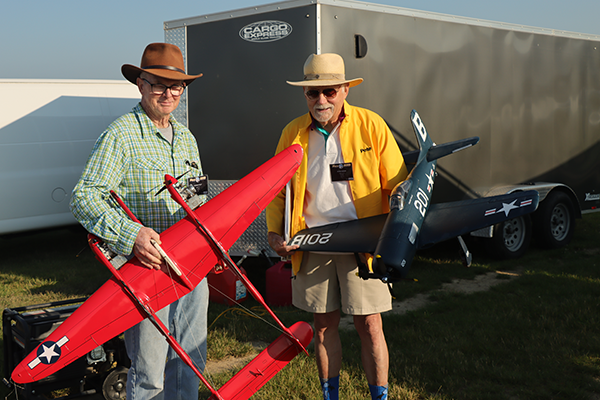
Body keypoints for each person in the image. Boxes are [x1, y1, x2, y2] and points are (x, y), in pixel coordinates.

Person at [266, 53, 408, 400]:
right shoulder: (292, 133)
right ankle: (331, 396)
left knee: (371, 325)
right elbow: (277, 191)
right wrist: (274, 233)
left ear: (345, 89)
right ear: (305, 96)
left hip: (364, 243)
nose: (322, 100)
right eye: (313, 93)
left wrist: (394, 236)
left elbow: (398, 185)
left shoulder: (371, 125)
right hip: (312, 243)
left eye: (329, 91)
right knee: (323, 325)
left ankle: (380, 396)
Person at [70, 43, 208, 400]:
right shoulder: (121, 135)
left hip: (192, 267)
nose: (168, 92)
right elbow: (84, 197)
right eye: (158, 83)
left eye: (176, 85)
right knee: (149, 372)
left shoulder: (187, 139)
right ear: (141, 85)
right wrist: (132, 236)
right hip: (145, 270)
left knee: (191, 361)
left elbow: (197, 196)